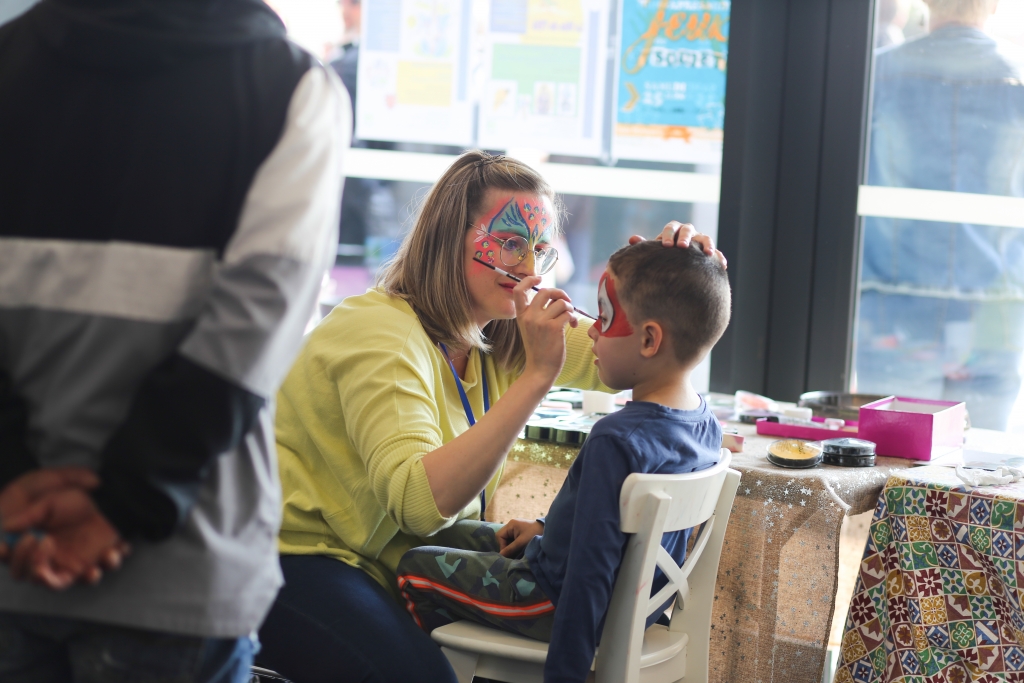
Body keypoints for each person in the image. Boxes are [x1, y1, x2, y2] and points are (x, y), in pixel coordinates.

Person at [255, 150, 726, 683]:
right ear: (446, 238)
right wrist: (536, 378)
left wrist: (679, 281)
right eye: (508, 243)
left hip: (395, 560)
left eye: (542, 249)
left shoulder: (499, 333)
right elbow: (418, 504)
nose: (528, 269)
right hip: (299, 561)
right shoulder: (379, 333)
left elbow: (645, 352)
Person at [0, 0, 349, 680]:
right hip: (184, 563)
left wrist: (15, 480)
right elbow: (252, 328)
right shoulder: (294, 91)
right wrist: (123, 505)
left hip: (11, 542)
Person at [395, 240, 730, 683]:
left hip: (555, 602)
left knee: (412, 566)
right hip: (633, 605)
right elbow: (612, 530)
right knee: (448, 531)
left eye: (605, 319)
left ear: (649, 339)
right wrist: (547, 529)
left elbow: (588, 579)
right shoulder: (703, 423)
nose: (591, 330)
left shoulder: (617, 440)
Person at [857, 0, 1024, 429]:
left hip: (893, 311)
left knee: (893, 466)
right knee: (983, 472)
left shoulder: (874, 75)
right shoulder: (1019, 76)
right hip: (997, 312)